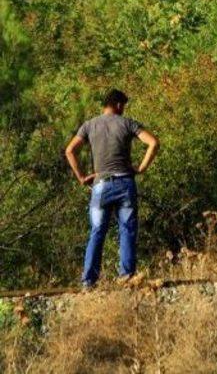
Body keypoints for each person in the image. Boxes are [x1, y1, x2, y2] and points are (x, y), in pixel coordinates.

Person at [65, 89, 159, 289]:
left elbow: (70, 150)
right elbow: (153, 143)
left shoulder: (89, 125)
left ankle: (89, 282)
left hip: (101, 186)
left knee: (97, 231)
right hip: (125, 184)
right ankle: (126, 278)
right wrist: (141, 168)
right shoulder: (128, 123)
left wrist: (82, 177)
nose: (124, 109)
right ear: (117, 104)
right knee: (127, 230)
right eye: (123, 105)